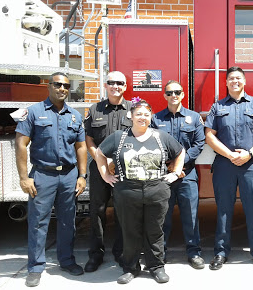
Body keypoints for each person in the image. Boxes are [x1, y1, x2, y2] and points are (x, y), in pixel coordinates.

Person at [94, 98, 185, 284]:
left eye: (146, 114)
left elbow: (180, 151)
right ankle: (130, 267)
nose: (142, 118)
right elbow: (99, 153)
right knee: (130, 230)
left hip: (156, 189)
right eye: (138, 114)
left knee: (155, 230)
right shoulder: (119, 137)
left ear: (151, 116)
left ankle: (156, 267)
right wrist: (105, 175)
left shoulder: (161, 136)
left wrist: (175, 173)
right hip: (127, 190)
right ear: (131, 116)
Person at [15, 72, 87, 287]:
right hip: (42, 175)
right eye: (57, 84)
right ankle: (36, 267)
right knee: (38, 222)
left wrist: (82, 176)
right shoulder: (33, 112)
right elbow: (20, 144)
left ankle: (66, 261)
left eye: (66, 85)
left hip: (68, 175)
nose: (62, 89)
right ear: (49, 86)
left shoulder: (75, 116)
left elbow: (81, 146)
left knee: (68, 221)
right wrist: (23, 177)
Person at [204, 66, 253, 270]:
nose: (235, 81)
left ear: (244, 81)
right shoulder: (218, 106)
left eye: (238, 78)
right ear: (225, 83)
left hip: (250, 165)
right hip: (225, 164)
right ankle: (221, 252)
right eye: (231, 78)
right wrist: (230, 154)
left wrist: (249, 154)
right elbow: (209, 135)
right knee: (224, 210)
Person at [151, 80, 205, 269]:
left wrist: (179, 165)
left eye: (177, 92)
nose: (174, 95)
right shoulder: (156, 119)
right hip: (163, 175)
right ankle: (160, 253)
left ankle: (194, 252)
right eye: (170, 92)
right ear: (164, 95)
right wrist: (170, 166)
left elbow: (199, 144)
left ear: (183, 95)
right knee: (161, 216)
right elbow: (151, 145)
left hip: (186, 174)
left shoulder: (194, 117)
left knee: (190, 215)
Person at [83, 71, 132, 272]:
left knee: (124, 211)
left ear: (125, 86)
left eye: (120, 83)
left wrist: (115, 163)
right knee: (97, 211)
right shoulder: (95, 109)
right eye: (112, 82)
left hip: (126, 169)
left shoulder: (133, 109)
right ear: (106, 85)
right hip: (99, 169)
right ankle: (96, 254)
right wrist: (103, 165)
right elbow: (89, 139)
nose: (116, 86)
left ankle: (121, 252)